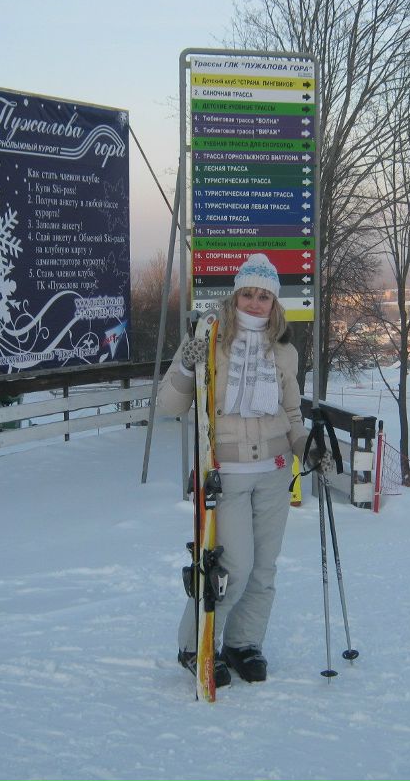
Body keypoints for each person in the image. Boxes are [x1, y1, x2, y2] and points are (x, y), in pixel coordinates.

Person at [156, 253, 330, 685]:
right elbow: (168, 405)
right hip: (226, 476)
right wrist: (184, 363)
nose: (255, 304)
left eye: (264, 297)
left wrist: (306, 447)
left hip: (274, 476)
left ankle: (243, 642)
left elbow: (291, 416)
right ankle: (195, 645)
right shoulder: (208, 343)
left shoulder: (284, 354)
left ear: (275, 304)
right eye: (248, 294)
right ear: (236, 297)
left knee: (264, 569)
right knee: (232, 568)